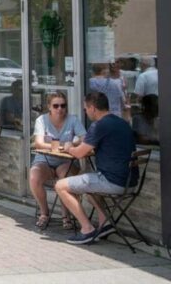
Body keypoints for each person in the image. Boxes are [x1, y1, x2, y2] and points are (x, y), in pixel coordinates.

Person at [56, 91, 137, 245]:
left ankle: (87, 229)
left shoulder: (99, 125)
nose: (86, 112)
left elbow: (79, 153)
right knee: (89, 186)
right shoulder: (122, 123)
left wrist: (68, 147)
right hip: (130, 182)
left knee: (60, 186)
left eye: (86, 109)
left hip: (113, 182)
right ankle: (105, 223)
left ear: (93, 108)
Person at [29, 91, 86, 230]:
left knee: (64, 178)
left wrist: (74, 143)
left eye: (63, 105)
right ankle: (44, 213)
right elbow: (38, 143)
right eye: (56, 106)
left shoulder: (73, 119)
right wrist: (61, 146)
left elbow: (84, 139)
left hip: (66, 161)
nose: (60, 109)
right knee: (34, 177)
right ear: (49, 107)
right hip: (45, 160)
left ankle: (66, 215)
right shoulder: (42, 120)